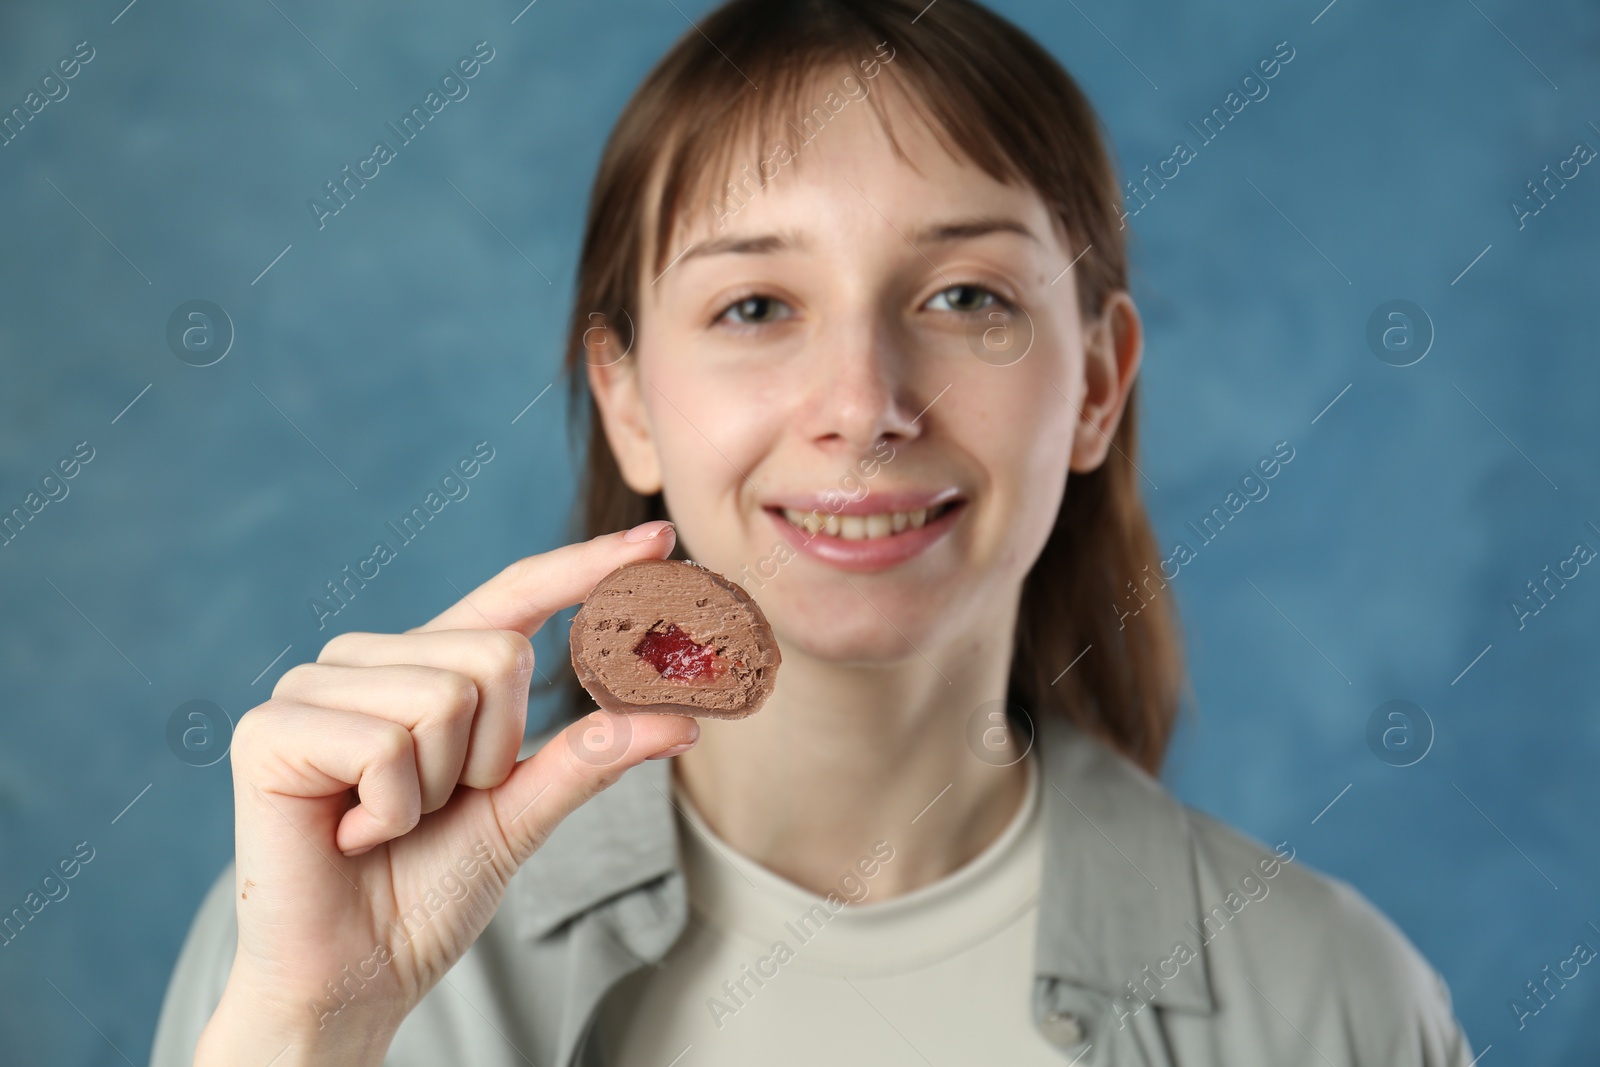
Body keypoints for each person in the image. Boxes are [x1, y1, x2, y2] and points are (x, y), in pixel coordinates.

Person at [151, 0, 1475, 1063]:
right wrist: (311, 1036)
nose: (865, 405)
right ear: (627, 400)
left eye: (963, 295)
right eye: (754, 308)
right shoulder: (314, 952)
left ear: (1096, 385)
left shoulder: (1340, 1006)